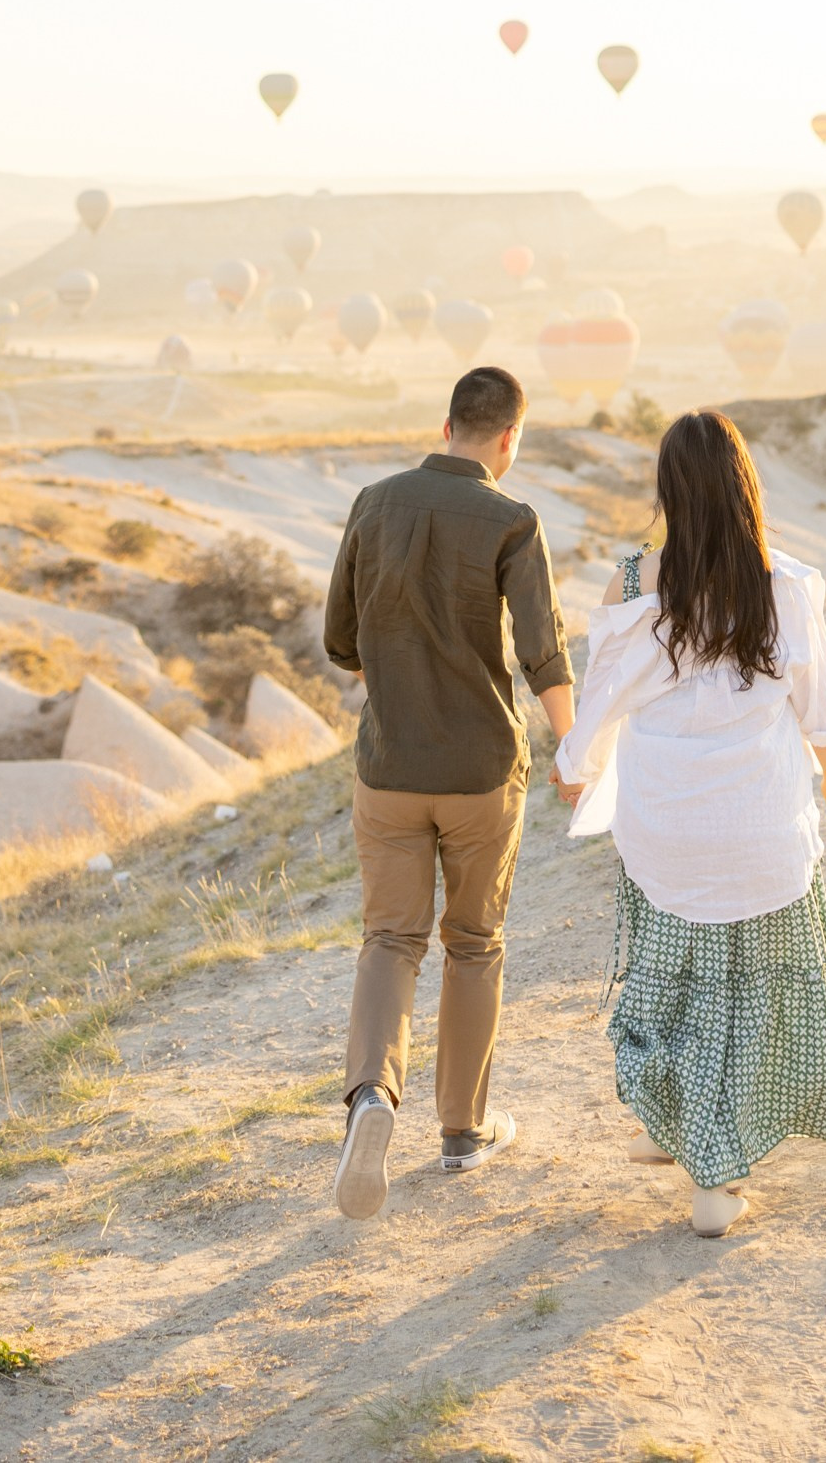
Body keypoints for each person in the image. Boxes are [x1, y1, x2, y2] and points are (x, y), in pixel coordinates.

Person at [554, 405, 826, 1237]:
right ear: (744, 486)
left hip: (661, 826)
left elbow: (598, 708)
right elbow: (824, 709)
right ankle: (716, 1176)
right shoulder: (785, 584)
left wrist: (574, 768)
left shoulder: (629, 582)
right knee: (750, 998)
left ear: (667, 490)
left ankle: (676, 1128)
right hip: (761, 824)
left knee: (675, 982)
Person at [322, 362, 573, 1221]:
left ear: (445, 426)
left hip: (389, 767)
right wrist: (571, 749)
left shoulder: (374, 502)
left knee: (390, 939)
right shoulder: (512, 519)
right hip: (477, 774)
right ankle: (463, 1133)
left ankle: (369, 1102)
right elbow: (541, 650)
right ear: (509, 438)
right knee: (473, 944)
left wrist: (396, 670)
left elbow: (338, 638)